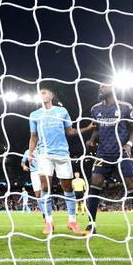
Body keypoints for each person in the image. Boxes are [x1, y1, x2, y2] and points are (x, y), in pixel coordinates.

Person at [83, 84, 133, 237]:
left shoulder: (126, 107)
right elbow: (97, 128)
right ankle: (91, 225)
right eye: (99, 87)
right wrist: (92, 140)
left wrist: (129, 144)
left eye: (103, 87)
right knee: (94, 187)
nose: (100, 89)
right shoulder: (95, 109)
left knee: (132, 186)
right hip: (103, 154)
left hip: (122, 153)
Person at [28, 87, 93, 235]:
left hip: (63, 154)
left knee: (67, 188)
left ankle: (72, 221)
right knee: (45, 187)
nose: (41, 95)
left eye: (44, 92)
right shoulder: (34, 115)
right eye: (39, 94)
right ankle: (49, 222)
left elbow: (70, 131)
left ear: (51, 95)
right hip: (44, 155)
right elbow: (33, 136)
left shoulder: (61, 112)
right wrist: (31, 153)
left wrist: (87, 128)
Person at [21, 148, 45, 221]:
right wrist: (24, 166)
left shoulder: (42, 149)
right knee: (38, 195)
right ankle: (44, 213)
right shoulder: (27, 152)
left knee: (44, 192)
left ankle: (47, 213)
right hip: (34, 173)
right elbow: (22, 162)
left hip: (42, 171)